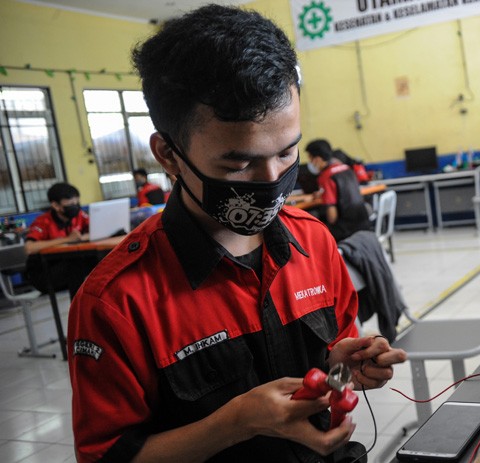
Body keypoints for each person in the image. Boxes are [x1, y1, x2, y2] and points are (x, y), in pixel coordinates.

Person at [67, 6, 406, 463]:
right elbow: (108, 458)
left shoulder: (315, 244)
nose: (271, 182)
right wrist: (234, 424)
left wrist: (344, 371)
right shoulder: (117, 301)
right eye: (238, 164)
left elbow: (334, 374)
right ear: (169, 154)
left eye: (288, 153)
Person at [24, 182, 94, 295]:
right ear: (56, 206)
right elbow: (29, 248)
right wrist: (67, 239)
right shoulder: (43, 222)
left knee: (100, 259)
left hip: (69, 266)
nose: (75, 206)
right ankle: (78, 309)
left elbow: (96, 230)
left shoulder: (79, 215)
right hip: (44, 274)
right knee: (75, 265)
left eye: (77, 202)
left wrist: (82, 237)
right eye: (71, 204)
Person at [305, 139, 372, 242]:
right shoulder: (346, 168)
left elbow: (332, 217)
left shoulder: (326, 177)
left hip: (347, 230)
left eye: (310, 158)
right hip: (364, 224)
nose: (310, 163)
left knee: (312, 234)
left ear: (317, 159)